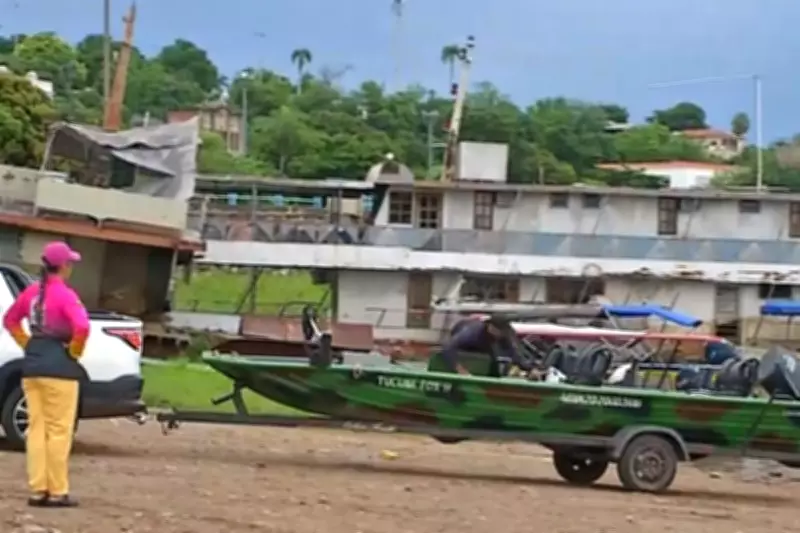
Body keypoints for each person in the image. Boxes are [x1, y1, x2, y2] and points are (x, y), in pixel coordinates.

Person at [2, 241, 89, 508]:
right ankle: (58, 490)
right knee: (59, 430)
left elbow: (10, 320)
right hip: (59, 368)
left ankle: (38, 489)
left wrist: (26, 343)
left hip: (32, 366)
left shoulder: (31, 293)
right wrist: (74, 352)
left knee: (36, 429)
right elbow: (82, 327)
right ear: (63, 266)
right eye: (70, 263)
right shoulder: (66, 295)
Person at [441, 316, 531, 376]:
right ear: (490, 327)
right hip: (464, 345)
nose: (501, 334)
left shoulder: (503, 335)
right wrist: (459, 369)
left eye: (503, 331)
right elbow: (449, 347)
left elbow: (513, 354)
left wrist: (529, 369)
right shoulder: (472, 332)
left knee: (493, 360)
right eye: (499, 331)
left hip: (484, 348)